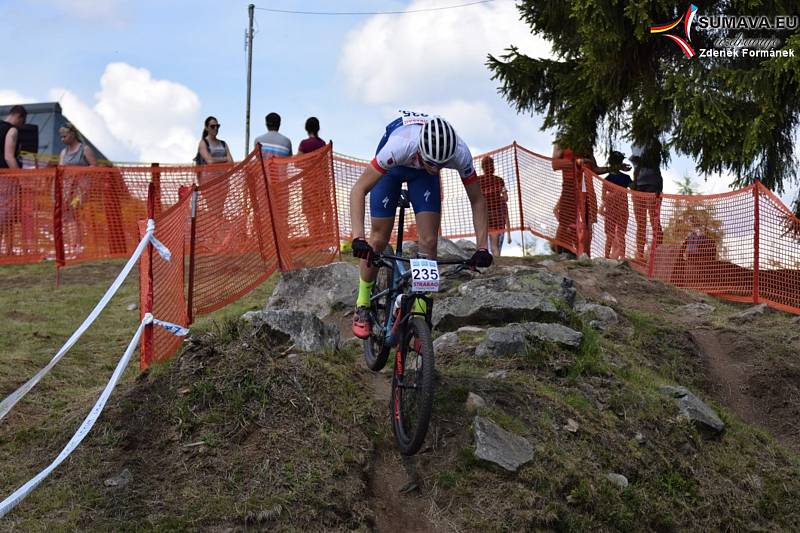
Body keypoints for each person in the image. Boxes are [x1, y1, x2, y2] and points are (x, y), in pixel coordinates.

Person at [349, 112, 492, 338]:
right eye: (431, 163)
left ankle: (420, 313)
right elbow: (358, 189)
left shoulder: (459, 153)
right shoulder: (398, 145)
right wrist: (358, 237)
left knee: (429, 241)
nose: (436, 169)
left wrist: (483, 247)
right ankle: (363, 304)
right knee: (378, 238)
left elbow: (477, 200)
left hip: (421, 176)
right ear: (422, 150)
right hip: (394, 169)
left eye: (441, 165)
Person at [58, 123, 97, 255]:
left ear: (73, 134)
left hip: (82, 188)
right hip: (68, 188)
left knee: (77, 213)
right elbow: (61, 169)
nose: (62, 139)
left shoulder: (85, 149)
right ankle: (72, 243)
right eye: (61, 137)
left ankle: (79, 243)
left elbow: (95, 167)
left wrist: (79, 171)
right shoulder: (64, 152)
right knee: (68, 216)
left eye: (65, 136)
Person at [630, 142, 664, 261]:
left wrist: (640, 161)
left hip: (652, 183)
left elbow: (655, 160)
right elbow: (636, 168)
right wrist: (633, 182)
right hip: (638, 184)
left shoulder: (653, 142)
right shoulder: (634, 145)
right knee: (640, 222)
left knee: (654, 219)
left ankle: (658, 254)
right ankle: (640, 255)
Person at [0, 105, 26, 255]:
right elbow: (8, 156)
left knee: (8, 215)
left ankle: (9, 250)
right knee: (7, 215)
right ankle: (8, 250)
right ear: (20, 117)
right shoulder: (12, 130)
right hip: (6, 178)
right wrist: (19, 177)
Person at [598, 151, 632, 259]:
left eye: (620, 161)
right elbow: (603, 197)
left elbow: (635, 189)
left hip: (623, 210)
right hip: (611, 210)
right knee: (610, 235)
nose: (619, 164)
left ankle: (622, 258)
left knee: (621, 235)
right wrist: (616, 194)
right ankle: (607, 257)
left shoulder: (626, 178)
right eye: (617, 162)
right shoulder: (607, 179)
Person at [478, 155, 511, 256]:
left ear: (482, 167)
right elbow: (506, 198)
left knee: (487, 245)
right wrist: (498, 198)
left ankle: (492, 265)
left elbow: (475, 198)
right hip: (496, 215)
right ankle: (496, 264)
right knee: (495, 246)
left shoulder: (478, 181)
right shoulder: (499, 180)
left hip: (484, 216)